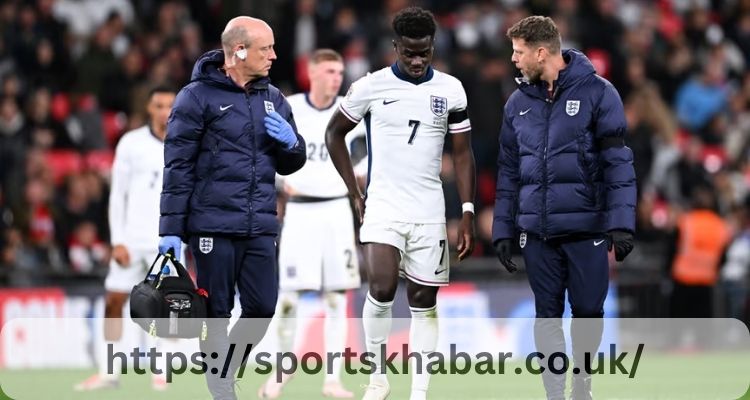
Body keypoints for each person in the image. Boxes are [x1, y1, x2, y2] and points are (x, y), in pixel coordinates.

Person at [325, 7, 476, 400]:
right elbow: (334, 134)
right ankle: (377, 379)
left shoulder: (451, 90)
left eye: (423, 52)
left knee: (424, 299)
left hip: (428, 211)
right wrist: (353, 191)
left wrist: (467, 210)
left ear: (432, 47)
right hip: (383, 206)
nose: (416, 60)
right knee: (381, 286)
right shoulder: (370, 87)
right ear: (395, 47)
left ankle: (419, 392)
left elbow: (462, 154)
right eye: (408, 52)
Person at [157, 16, 306, 400]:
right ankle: (223, 390)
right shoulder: (195, 97)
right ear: (238, 51)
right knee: (216, 313)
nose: (274, 56)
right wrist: (170, 230)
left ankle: (222, 369)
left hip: (259, 224)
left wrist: (292, 144)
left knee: (261, 308)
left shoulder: (273, 98)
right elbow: (177, 167)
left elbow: (293, 161)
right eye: (265, 48)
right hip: (211, 225)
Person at [492, 16, 637, 400]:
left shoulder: (599, 93)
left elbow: (618, 163)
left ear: (542, 52)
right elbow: (508, 171)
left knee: (588, 312)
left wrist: (622, 222)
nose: (513, 59)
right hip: (537, 233)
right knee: (547, 315)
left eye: (519, 52)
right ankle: (556, 394)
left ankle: (583, 386)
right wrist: (503, 229)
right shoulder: (517, 103)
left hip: (587, 228)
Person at [258, 49, 361, 399]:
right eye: (330, 71)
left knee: (336, 298)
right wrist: (278, 182)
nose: (336, 77)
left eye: (340, 71)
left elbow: (364, 157)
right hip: (300, 211)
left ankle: (332, 380)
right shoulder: (290, 107)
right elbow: (264, 152)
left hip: (335, 211)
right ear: (312, 72)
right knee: (288, 298)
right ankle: (281, 371)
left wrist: (358, 180)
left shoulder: (350, 109)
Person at [74, 85, 176, 392]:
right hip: (132, 239)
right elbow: (118, 195)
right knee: (114, 301)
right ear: (149, 108)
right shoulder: (131, 143)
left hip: (167, 239)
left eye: (171, 106)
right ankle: (108, 372)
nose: (165, 112)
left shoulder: (187, 142)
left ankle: (162, 369)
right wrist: (117, 239)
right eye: (159, 105)